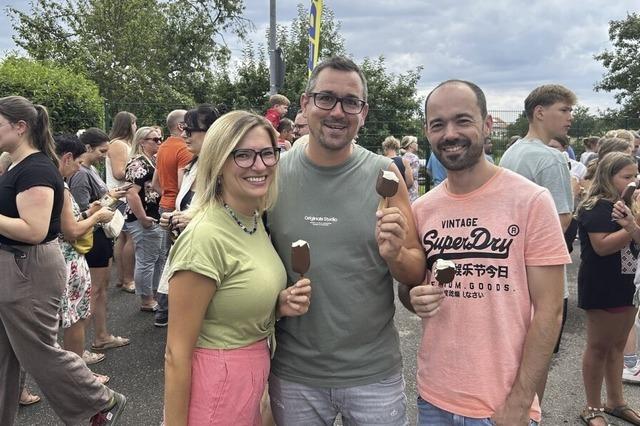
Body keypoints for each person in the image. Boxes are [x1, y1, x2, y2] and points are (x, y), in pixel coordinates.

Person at [399, 80, 569, 425]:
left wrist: (520, 403)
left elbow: (550, 312)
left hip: (502, 405)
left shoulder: (531, 201)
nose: (450, 133)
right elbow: (411, 289)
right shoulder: (422, 209)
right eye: (438, 124)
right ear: (427, 132)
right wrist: (412, 296)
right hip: (434, 398)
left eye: (462, 120)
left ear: (486, 124)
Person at [267, 56, 425, 425]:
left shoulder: (384, 175)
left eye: (350, 102)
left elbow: (415, 269)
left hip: (373, 373)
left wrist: (396, 252)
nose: (338, 111)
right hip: (293, 372)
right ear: (305, 104)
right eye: (326, 98)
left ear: (363, 112)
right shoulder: (273, 174)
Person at [163, 110, 312, 425]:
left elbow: (230, 302)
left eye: (267, 153)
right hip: (216, 390)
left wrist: (278, 306)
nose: (259, 165)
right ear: (218, 162)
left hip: (251, 384)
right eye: (242, 155)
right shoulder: (204, 237)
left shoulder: (252, 219)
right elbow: (176, 355)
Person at [0, 95, 126, 425]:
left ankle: (101, 402)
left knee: (38, 350)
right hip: (17, 265)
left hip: (27, 266)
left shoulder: (36, 169)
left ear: (20, 127)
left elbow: (34, 229)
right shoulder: (18, 165)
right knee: (5, 355)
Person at [499, 84, 575, 374]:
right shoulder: (551, 157)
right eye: (564, 110)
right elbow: (562, 219)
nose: (570, 117)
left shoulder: (511, 153)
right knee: (537, 365)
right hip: (544, 278)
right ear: (540, 112)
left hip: (513, 268)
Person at [576, 152, 640, 426]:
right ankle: (591, 406)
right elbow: (602, 247)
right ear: (607, 175)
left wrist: (633, 225)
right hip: (602, 285)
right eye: (626, 176)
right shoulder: (596, 206)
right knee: (599, 347)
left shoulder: (626, 205)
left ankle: (615, 401)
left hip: (629, 284)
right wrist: (630, 228)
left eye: (635, 175)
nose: (633, 181)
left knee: (616, 346)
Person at [55, 133, 114, 382]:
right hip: (69, 259)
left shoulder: (49, 183)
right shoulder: (61, 186)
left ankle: (71, 373)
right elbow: (71, 231)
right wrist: (96, 218)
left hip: (62, 258)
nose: (80, 168)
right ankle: (78, 375)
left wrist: (88, 211)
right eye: (78, 162)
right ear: (67, 158)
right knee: (75, 319)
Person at [157, 104, 222, 323]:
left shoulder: (227, 169)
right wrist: (172, 218)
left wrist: (193, 219)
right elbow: (184, 205)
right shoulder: (192, 165)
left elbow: (237, 216)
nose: (184, 134)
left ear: (211, 132)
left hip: (212, 261)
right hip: (187, 255)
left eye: (191, 129)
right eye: (184, 128)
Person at [69, 128, 131, 352]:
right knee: (94, 291)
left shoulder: (89, 170)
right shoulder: (81, 174)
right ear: (87, 148)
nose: (105, 155)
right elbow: (80, 211)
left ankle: (101, 335)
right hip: (92, 236)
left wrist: (112, 196)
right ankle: (79, 348)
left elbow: (96, 203)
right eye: (102, 151)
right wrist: (109, 199)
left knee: (101, 288)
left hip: (100, 234)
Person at [153, 109, 191, 327]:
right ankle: (167, 310)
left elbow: (156, 183)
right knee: (176, 260)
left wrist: (166, 198)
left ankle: (163, 308)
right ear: (181, 126)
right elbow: (182, 185)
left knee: (168, 257)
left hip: (163, 207)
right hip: (178, 211)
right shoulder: (184, 149)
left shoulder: (163, 147)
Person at [124, 127, 165, 313]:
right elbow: (132, 194)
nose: (159, 142)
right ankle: (146, 299)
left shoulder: (152, 160)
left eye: (160, 139)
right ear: (142, 142)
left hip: (153, 215)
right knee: (147, 260)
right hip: (143, 217)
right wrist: (142, 217)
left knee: (156, 258)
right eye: (154, 139)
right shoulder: (137, 164)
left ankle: (153, 294)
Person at [107, 111, 137, 293]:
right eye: (134, 123)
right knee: (130, 238)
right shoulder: (118, 145)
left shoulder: (120, 144)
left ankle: (121, 278)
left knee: (122, 237)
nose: (136, 127)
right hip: (122, 196)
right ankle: (127, 279)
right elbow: (119, 173)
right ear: (128, 124)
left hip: (121, 196)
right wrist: (141, 172)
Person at [402, 135, 421, 202]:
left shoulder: (402, 157)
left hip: (403, 188)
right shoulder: (414, 158)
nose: (417, 145)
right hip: (412, 189)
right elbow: (413, 176)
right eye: (415, 143)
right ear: (410, 145)